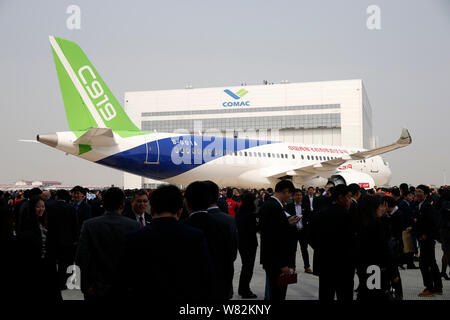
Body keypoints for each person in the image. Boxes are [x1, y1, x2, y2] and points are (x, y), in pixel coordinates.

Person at [116, 184, 212, 301]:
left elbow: (123, 278)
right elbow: (205, 276)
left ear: (151, 210)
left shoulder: (133, 238)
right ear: (180, 211)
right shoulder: (195, 237)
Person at [75, 187, 140, 300]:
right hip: (125, 288)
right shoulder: (134, 225)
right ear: (122, 205)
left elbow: (81, 258)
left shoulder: (89, 225)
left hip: (97, 288)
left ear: (103, 204)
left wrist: (86, 286)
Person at [184, 181, 235, 300]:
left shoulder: (180, 227)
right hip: (217, 289)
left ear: (187, 203)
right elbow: (230, 259)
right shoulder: (223, 226)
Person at [16, 195, 62, 301]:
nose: (41, 209)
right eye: (38, 207)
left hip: (48, 263)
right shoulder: (27, 224)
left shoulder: (46, 222)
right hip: (34, 264)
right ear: (32, 208)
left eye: (43, 206)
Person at [259, 180, 298, 301]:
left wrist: (287, 223)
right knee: (278, 294)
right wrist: (283, 265)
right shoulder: (275, 207)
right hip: (276, 262)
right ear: (286, 191)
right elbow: (276, 239)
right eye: (290, 195)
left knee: (274, 292)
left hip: (270, 258)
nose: (290, 198)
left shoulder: (269, 204)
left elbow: (272, 230)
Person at [316, 184, 355, 301]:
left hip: (325, 263)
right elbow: (352, 241)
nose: (350, 201)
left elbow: (311, 236)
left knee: (325, 294)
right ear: (340, 197)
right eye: (348, 197)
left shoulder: (321, 213)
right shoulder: (347, 216)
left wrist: (322, 248)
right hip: (344, 265)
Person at [204, 180, 238, 299]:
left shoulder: (192, 220)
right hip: (224, 274)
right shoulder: (229, 220)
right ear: (218, 196)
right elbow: (233, 253)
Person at [45, 189, 79, 290]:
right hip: (67, 240)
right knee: (65, 263)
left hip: (52, 239)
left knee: (51, 262)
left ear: (56, 197)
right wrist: (75, 239)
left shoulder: (49, 207)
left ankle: (52, 281)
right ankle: (63, 283)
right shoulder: (71, 208)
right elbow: (75, 225)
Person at [413, 184, 443, 296]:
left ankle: (430, 288)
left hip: (427, 239)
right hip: (424, 238)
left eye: (420, 191)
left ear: (425, 194)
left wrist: (426, 234)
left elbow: (432, 223)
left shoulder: (427, 206)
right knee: (431, 263)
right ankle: (438, 287)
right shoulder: (420, 205)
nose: (417, 193)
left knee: (424, 264)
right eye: (416, 191)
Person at [235, 191, 259, 298]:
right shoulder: (250, 215)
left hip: (241, 243)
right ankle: (245, 290)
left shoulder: (240, 212)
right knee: (248, 268)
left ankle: (242, 289)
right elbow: (253, 230)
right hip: (249, 243)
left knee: (246, 266)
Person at [285, 189, 312, 274]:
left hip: (303, 231)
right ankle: (292, 267)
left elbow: (309, 217)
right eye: (297, 195)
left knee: (304, 249)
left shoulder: (306, 205)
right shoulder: (289, 206)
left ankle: (307, 267)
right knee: (292, 250)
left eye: (300, 195)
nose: (299, 197)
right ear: (293, 196)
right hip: (293, 231)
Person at [438, 188, 450, 280]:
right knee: (447, 252)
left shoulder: (441, 202)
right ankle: (443, 272)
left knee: (446, 252)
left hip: (443, 230)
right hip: (447, 230)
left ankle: (443, 272)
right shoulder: (446, 204)